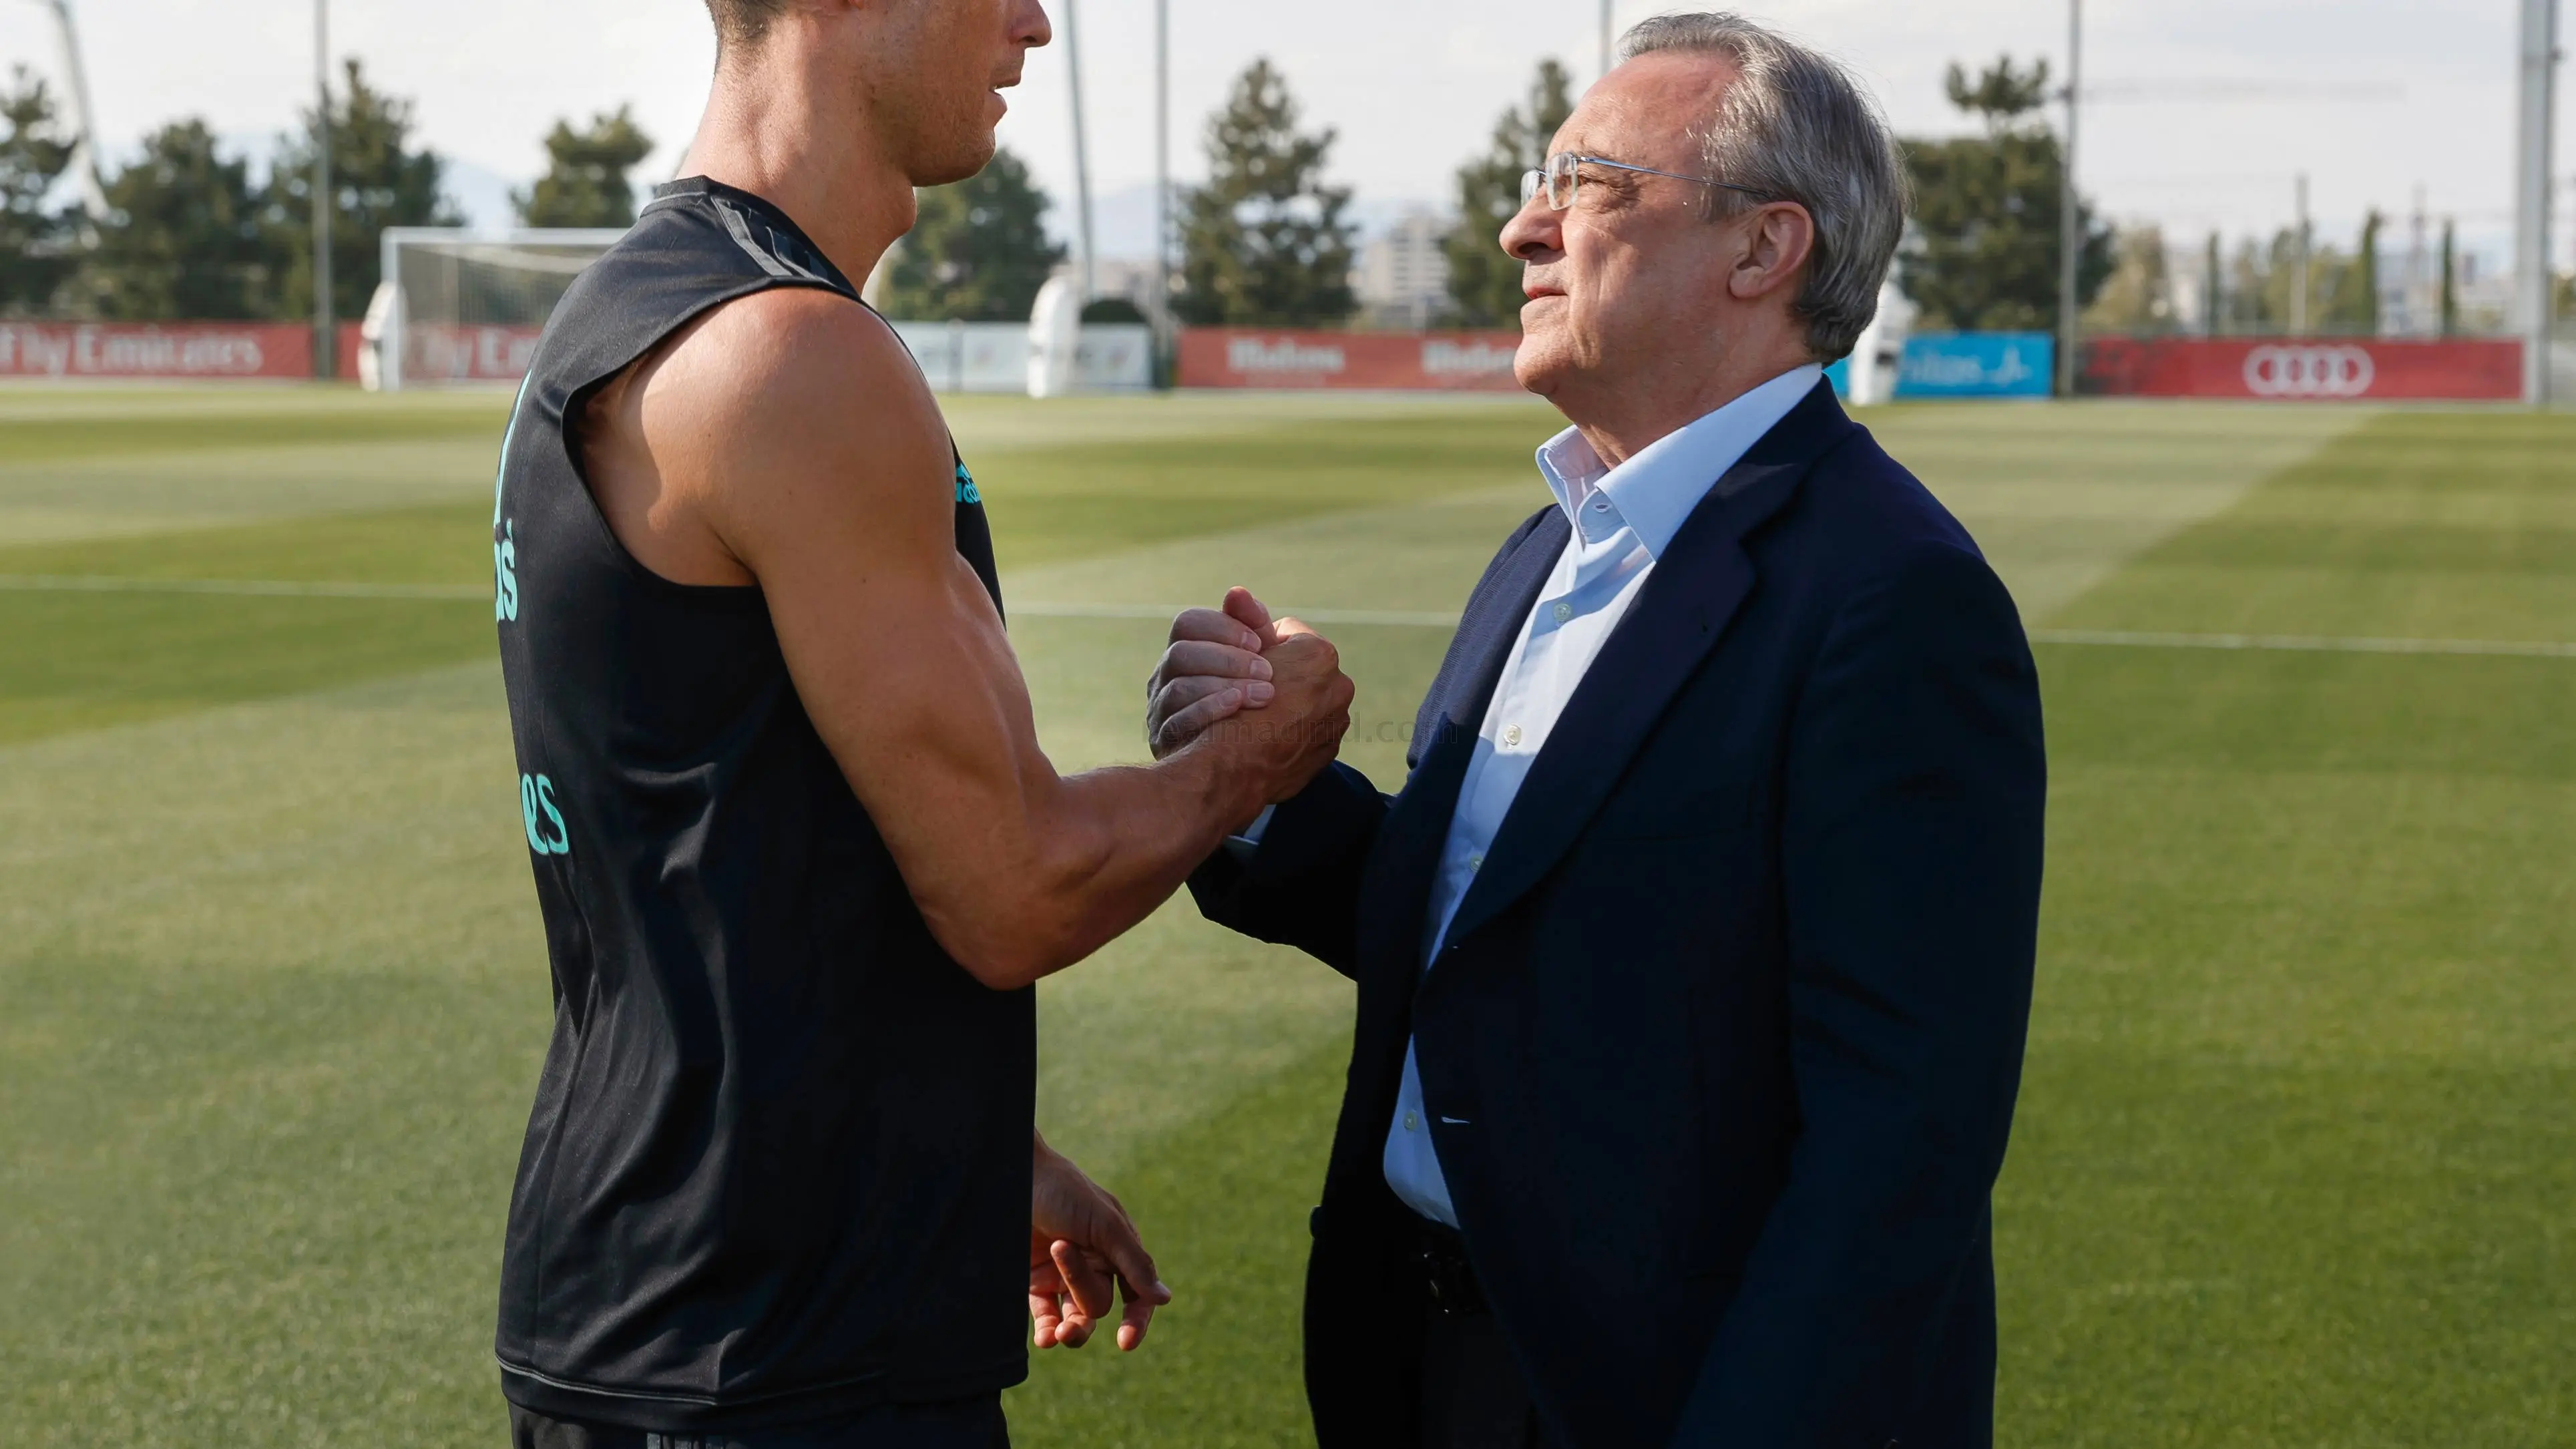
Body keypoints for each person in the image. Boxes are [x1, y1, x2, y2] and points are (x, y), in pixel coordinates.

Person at [1151, 14, 2047, 1448]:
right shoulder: (1557, 543)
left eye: (1589, 185)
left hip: (1667, 1391)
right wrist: (1258, 778)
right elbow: (1491, 928)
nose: (1523, 227)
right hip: (1438, 1364)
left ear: (1765, 251)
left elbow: (1901, 1144)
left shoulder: (1894, 598)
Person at [487, 1, 1354, 1445]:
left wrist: (962, 1146)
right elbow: (1016, 885)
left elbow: (733, 851)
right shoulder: (786, 354)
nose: (1031, 23)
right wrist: (1261, 750)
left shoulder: (650, 309)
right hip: (766, 1356)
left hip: (691, 1299)